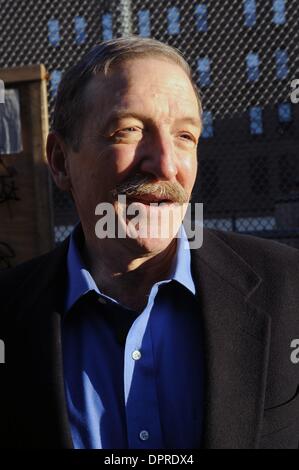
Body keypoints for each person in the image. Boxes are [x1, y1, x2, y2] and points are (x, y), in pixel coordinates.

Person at [0, 36, 299, 450]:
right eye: (129, 130)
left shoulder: (289, 290)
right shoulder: (8, 315)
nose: (165, 164)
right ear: (60, 160)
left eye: (185, 137)